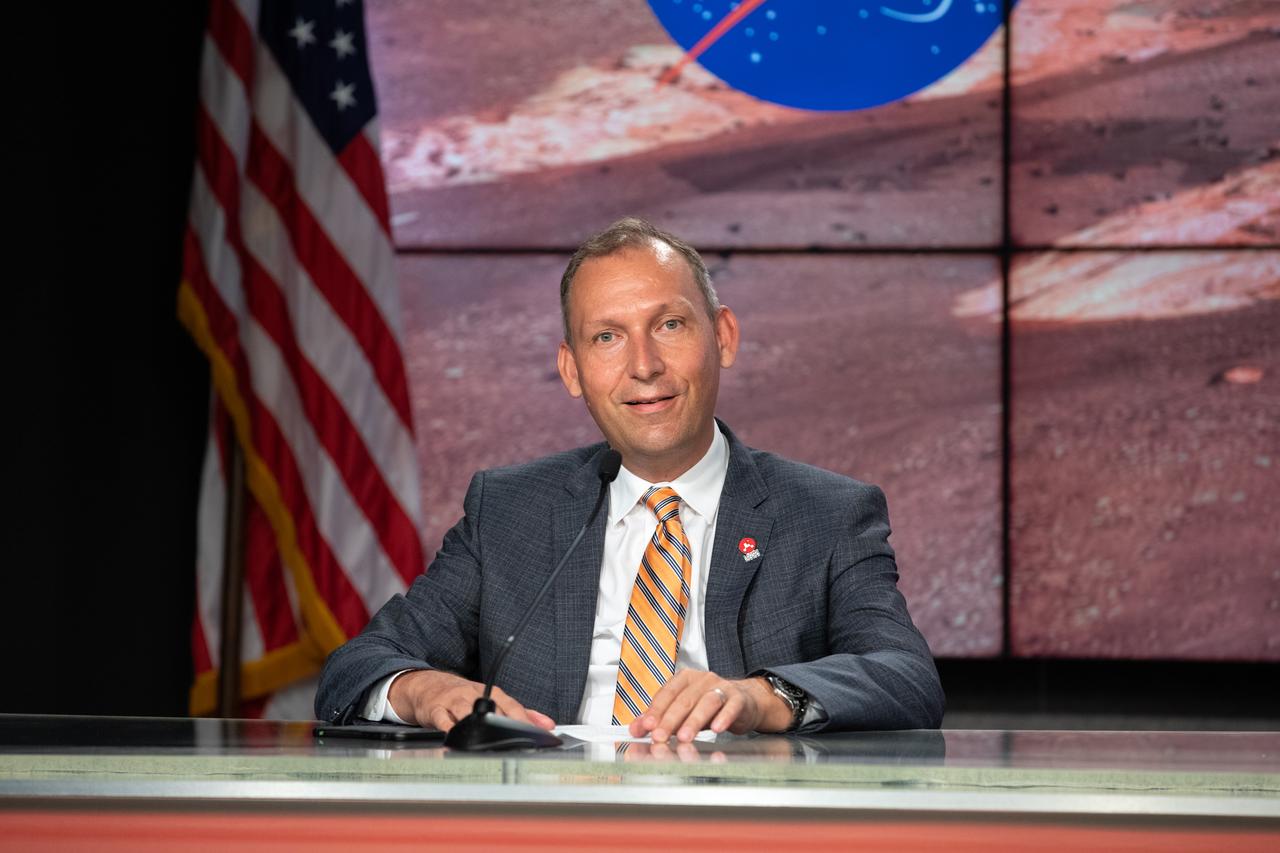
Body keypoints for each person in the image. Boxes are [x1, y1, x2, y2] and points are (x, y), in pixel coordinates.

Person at [315, 218, 943, 741]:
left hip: (738, 822)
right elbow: (356, 668)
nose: (644, 366)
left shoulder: (827, 512)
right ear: (572, 370)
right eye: (607, 337)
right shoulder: (509, 511)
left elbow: (906, 676)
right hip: (551, 822)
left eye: (669, 325)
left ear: (723, 337)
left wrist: (762, 698)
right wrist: (426, 691)